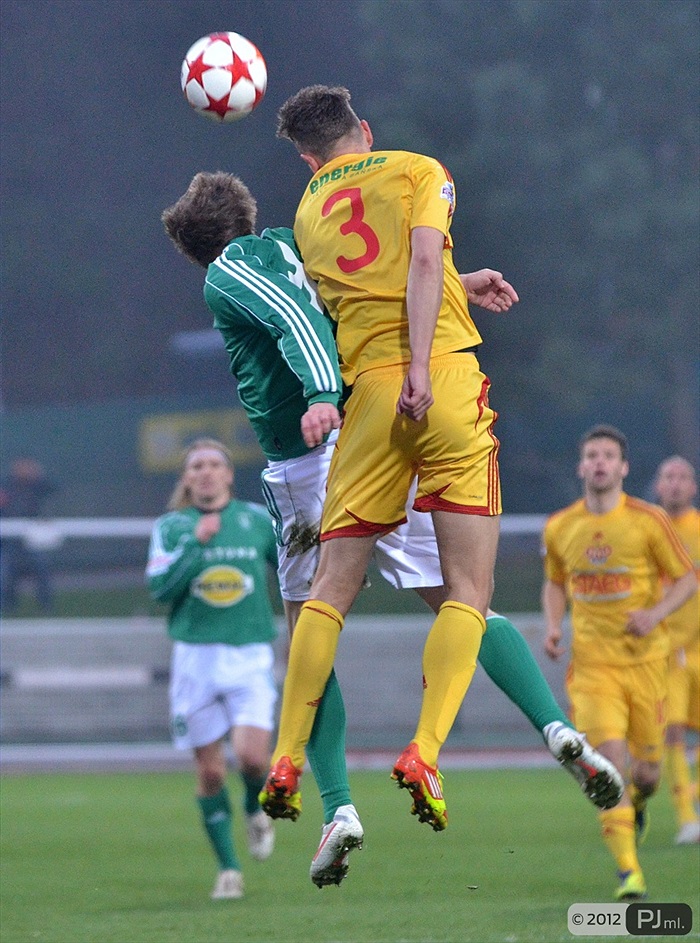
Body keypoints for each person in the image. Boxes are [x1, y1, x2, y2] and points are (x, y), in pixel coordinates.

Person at [162, 171, 622, 887]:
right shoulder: (294, 244)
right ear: (249, 212)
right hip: (377, 438)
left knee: (311, 625)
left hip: (311, 460)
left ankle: (339, 807)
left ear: (194, 247)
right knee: (464, 600)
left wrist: (318, 392)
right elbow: (369, 292)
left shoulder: (230, 271)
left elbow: (295, 321)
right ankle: (557, 729)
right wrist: (459, 284)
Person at [261, 84, 622, 837]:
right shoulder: (420, 169)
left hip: (365, 401)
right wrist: (424, 361)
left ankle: (289, 756)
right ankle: (425, 751)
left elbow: (363, 300)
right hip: (444, 383)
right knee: (469, 587)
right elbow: (422, 258)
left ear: (306, 157)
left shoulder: (304, 214)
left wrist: (459, 287)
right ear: (364, 128)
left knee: (329, 587)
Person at [542, 425, 697, 901]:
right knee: (609, 769)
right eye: (592, 455)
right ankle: (630, 872)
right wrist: (553, 625)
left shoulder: (648, 522)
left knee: (645, 772)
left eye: (609, 455)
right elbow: (554, 581)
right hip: (592, 671)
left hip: (648, 666)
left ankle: (643, 801)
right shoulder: (561, 526)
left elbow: (687, 579)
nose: (600, 462)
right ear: (581, 466)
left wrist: (654, 615)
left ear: (624, 467)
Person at [145, 439, 278, 901]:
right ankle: (228, 869)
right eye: (196, 466)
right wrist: (195, 549)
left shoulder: (257, 521)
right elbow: (159, 589)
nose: (205, 472)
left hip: (249, 653)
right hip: (195, 660)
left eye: (214, 464)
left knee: (254, 759)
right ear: (186, 478)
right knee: (211, 774)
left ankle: (254, 811)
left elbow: (294, 568)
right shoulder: (172, 527)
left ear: (228, 475)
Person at [654, 456, 700, 845]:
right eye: (668, 477)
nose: (675, 484)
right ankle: (687, 818)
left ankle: (693, 796)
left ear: (694, 487)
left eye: (683, 477)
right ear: (657, 485)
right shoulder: (647, 528)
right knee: (673, 732)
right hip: (668, 649)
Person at [0, 457, 58, 614]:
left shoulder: (36, 485)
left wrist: (38, 476)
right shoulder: (6, 486)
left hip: (32, 541)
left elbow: (54, 489)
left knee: (42, 566)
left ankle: (46, 605)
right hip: (9, 542)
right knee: (5, 572)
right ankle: (8, 607)